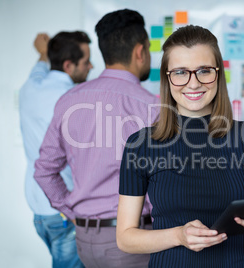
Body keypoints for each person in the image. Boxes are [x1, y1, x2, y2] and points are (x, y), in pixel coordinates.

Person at [116, 25, 244, 268]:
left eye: (204, 70)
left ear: (218, 74)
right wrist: (178, 235)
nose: (193, 83)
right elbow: (125, 238)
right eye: (180, 72)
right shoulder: (140, 145)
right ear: (167, 77)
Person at [34, 9, 159, 267]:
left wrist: (74, 212)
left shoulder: (69, 100)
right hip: (132, 242)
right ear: (140, 51)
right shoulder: (151, 107)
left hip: (85, 241)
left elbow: (44, 170)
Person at [19, 31, 92, 267]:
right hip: (65, 209)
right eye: (86, 61)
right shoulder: (74, 99)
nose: (91, 66)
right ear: (69, 65)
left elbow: (41, 68)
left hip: (39, 210)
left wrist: (43, 53)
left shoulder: (30, 87)